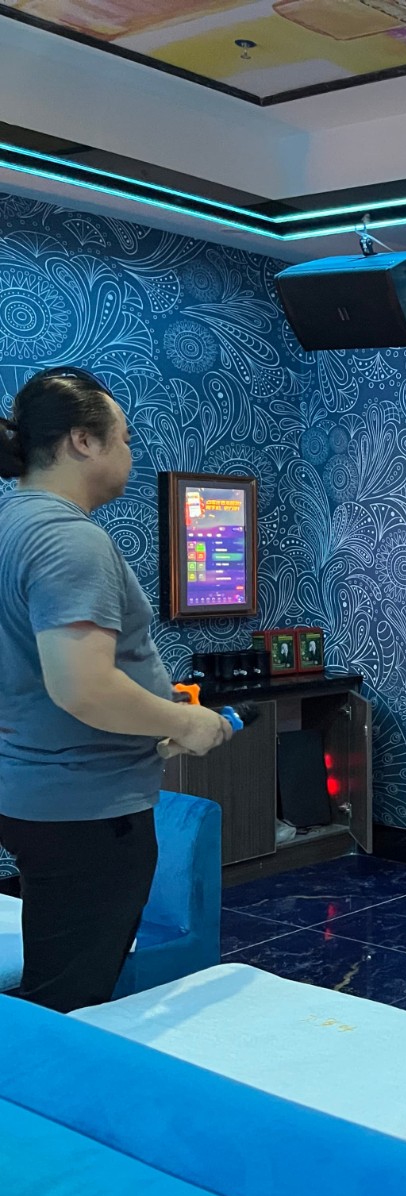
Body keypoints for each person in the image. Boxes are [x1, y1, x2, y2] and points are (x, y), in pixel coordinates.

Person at [0, 366, 232, 1012]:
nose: (131, 452)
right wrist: (186, 723)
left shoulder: (11, 523)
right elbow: (84, 687)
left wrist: (148, 714)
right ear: (83, 440)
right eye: (124, 438)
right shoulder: (68, 540)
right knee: (69, 1001)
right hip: (85, 813)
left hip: (33, 794)